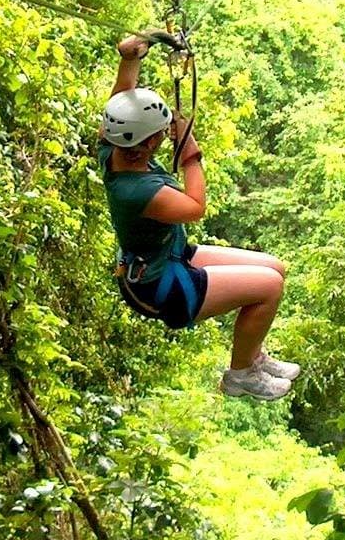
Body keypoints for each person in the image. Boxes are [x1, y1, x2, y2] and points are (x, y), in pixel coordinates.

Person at [100, 35, 299, 401]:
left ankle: (254, 356)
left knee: (276, 268)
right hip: (160, 287)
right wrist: (191, 154)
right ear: (147, 144)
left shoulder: (115, 145)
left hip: (166, 257)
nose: (165, 136)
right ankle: (241, 374)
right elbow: (195, 206)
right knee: (269, 287)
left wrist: (129, 60)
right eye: (161, 134)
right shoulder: (140, 191)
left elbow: (121, 98)